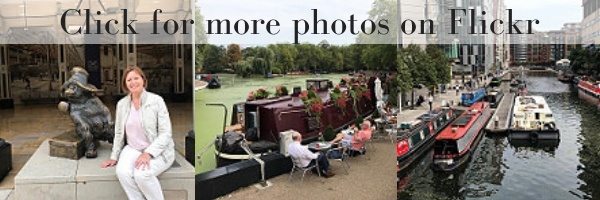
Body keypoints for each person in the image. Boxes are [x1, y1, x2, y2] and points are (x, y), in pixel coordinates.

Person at [101, 66, 175, 200]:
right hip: (133, 148)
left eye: (136, 78)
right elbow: (118, 133)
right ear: (125, 84)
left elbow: (166, 133)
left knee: (142, 175)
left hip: (158, 150)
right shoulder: (122, 104)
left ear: (143, 80)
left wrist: (149, 153)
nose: (133, 82)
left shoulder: (156, 101)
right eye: (129, 80)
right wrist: (114, 156)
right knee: (122, 172)